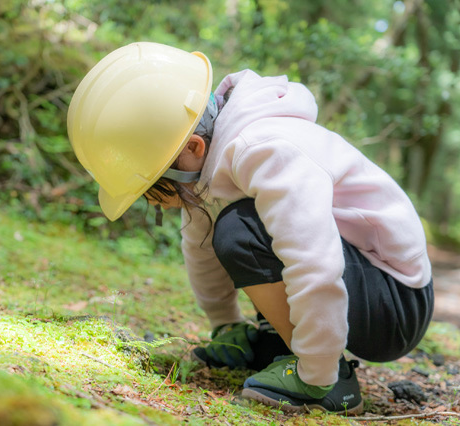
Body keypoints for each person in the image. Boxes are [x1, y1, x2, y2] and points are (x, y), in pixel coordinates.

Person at [66, 42, 434, 415]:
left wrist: (319, 368)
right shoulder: (210, 165)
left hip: (395, 301)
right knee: (233, 226)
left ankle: (327, 380)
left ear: (192, 147)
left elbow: (314, 261)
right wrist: (226, 325)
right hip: (360, 282)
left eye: (151, 188)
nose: (154, 202)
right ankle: (279, 345)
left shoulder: (266, 149)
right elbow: (199, 244)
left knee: (239, 230)